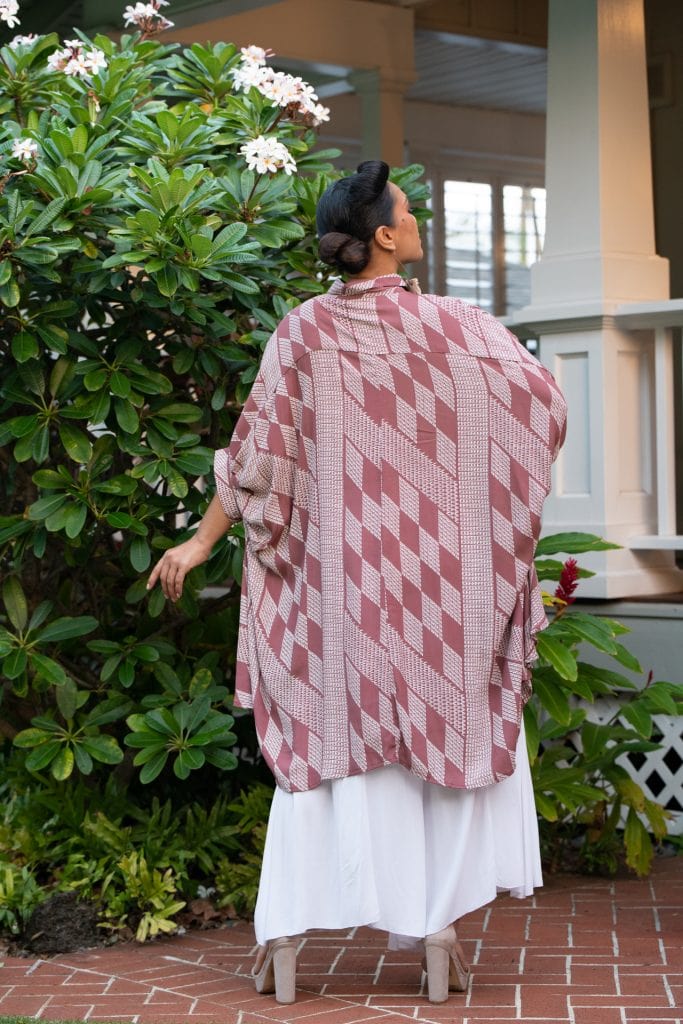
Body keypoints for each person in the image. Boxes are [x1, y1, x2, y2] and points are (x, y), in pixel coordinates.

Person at [147, 160, 567, 1005]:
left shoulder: (301, 333)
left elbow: (256, 460)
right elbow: (541, 408)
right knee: (430, 742)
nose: (417, 224)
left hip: (340, 607)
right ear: (381, 236)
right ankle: (437, 928)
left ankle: (295, 932)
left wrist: (198, 544)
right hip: (437, 604)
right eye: (407, 213)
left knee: (330, 753)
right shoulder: (457, 329)